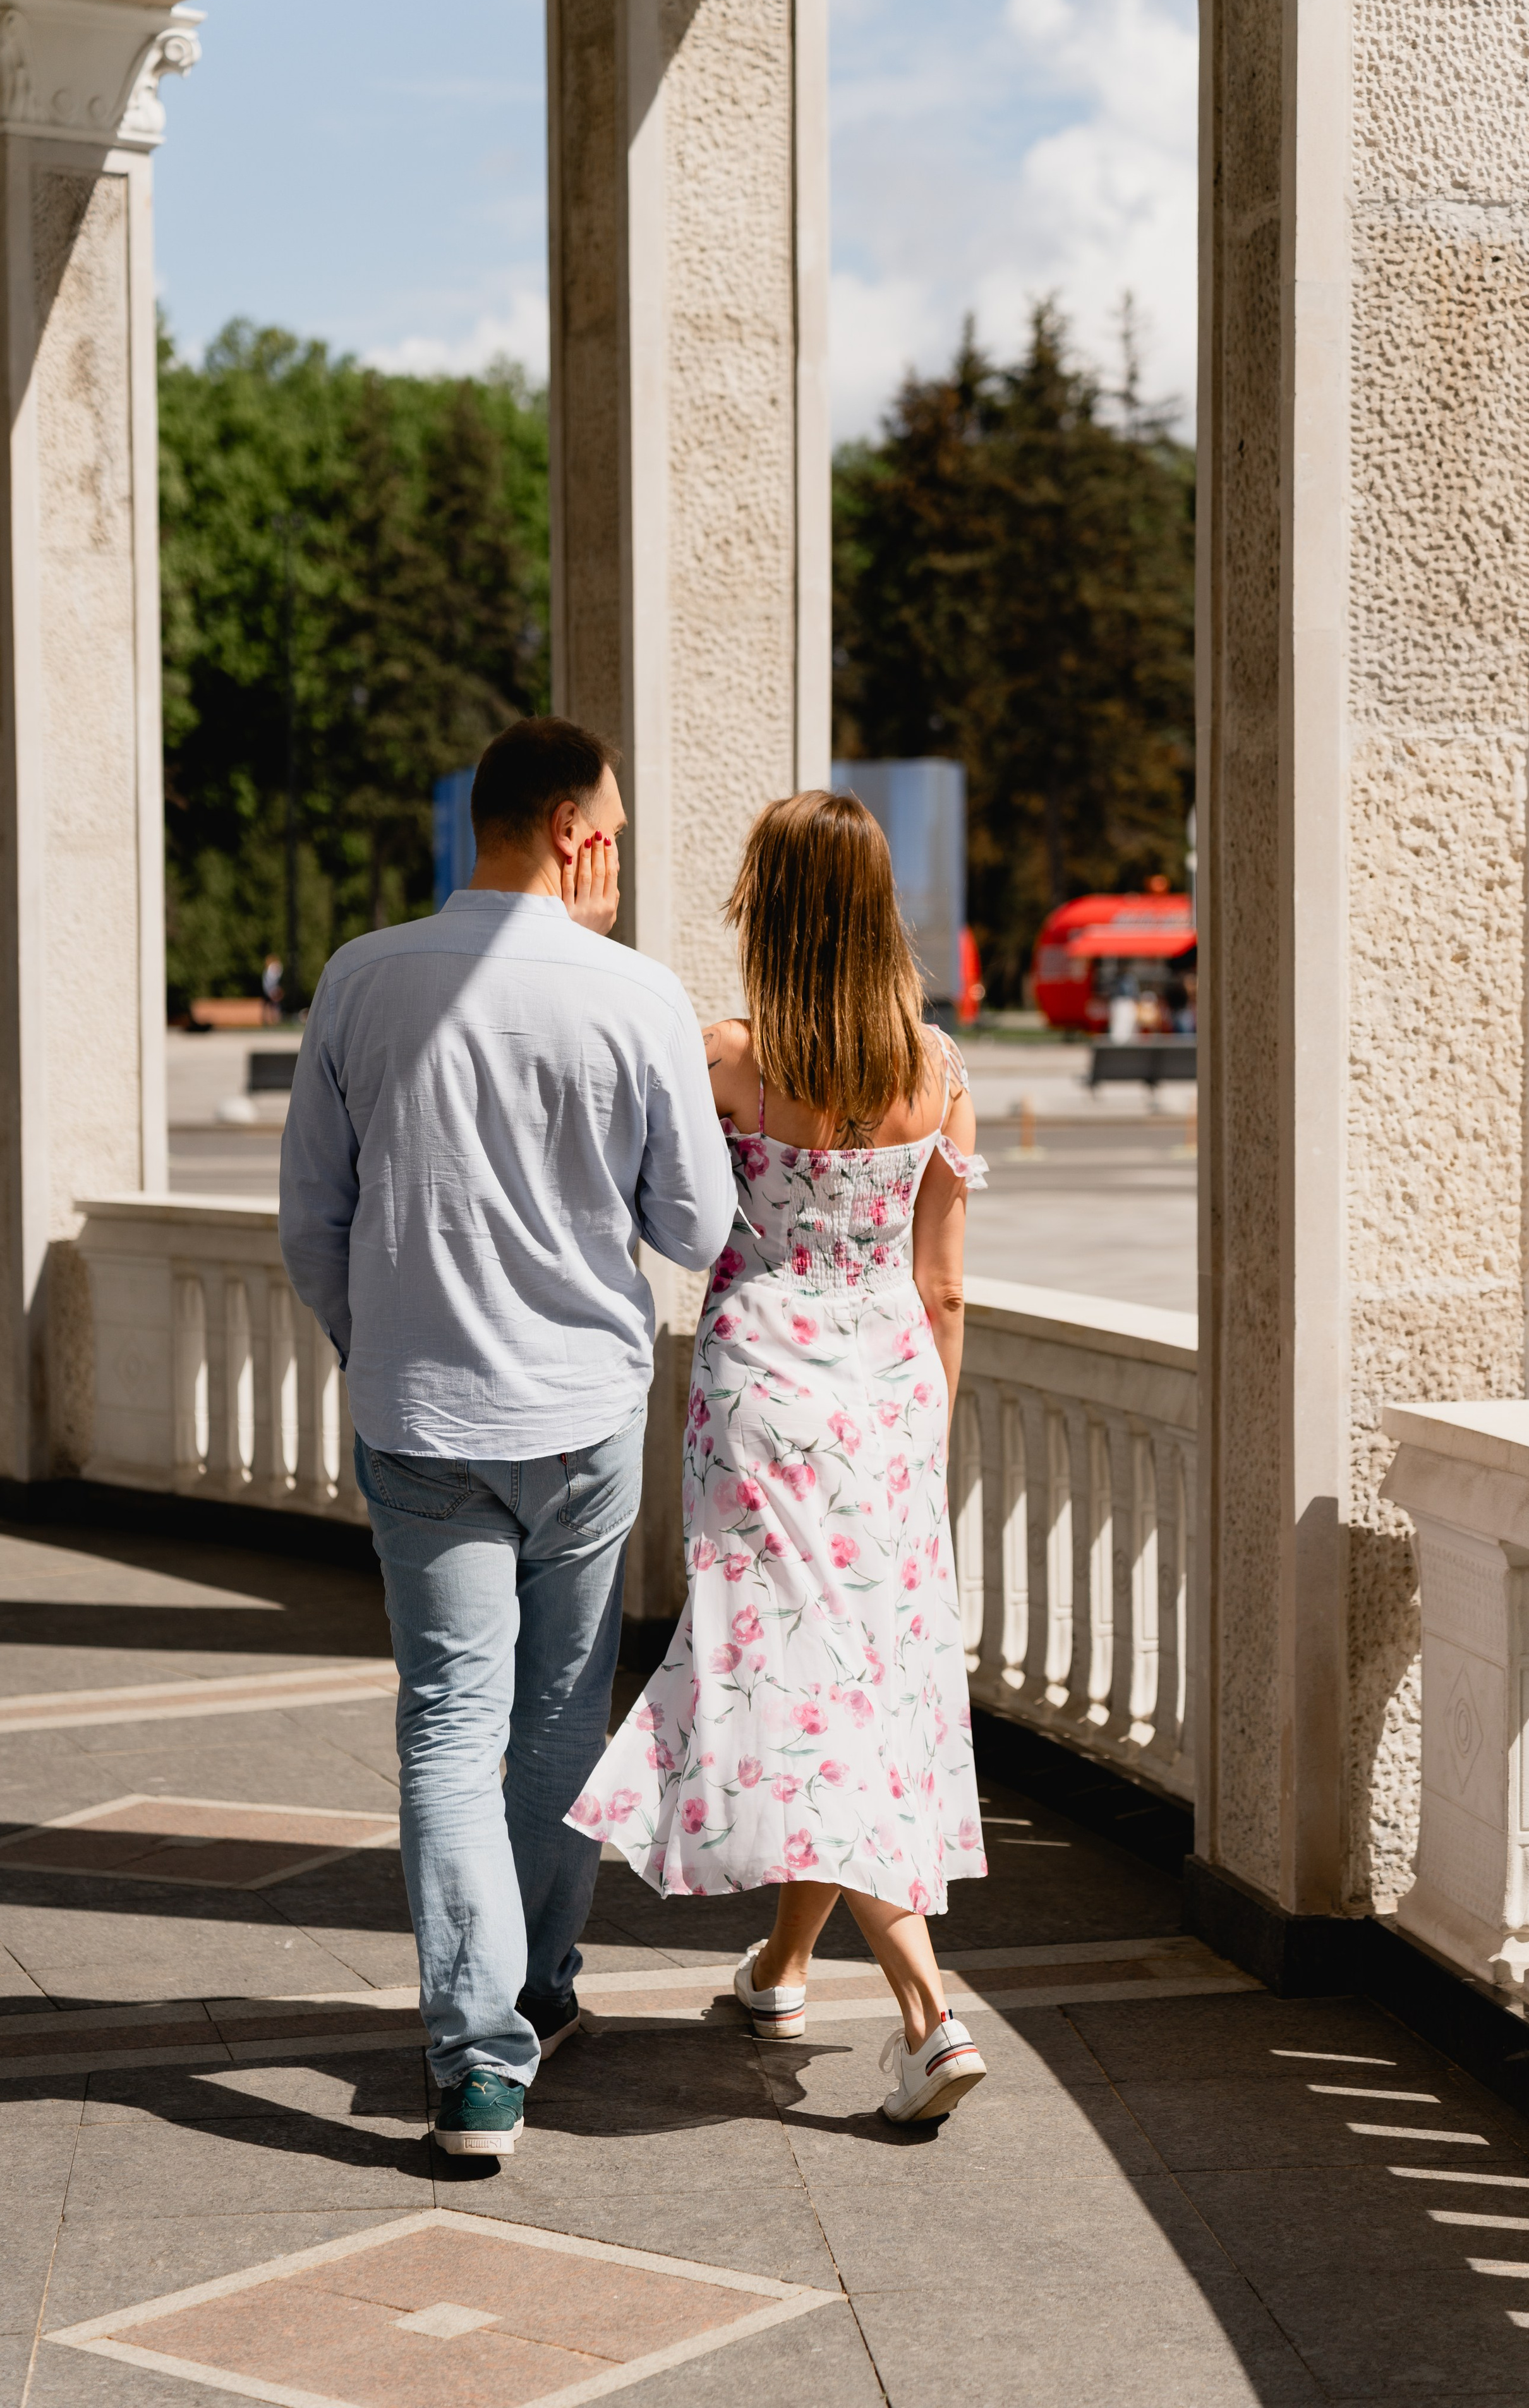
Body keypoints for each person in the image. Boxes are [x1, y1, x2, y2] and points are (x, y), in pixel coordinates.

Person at [279, 717, 735, 2159]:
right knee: (552, 1720)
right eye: (610, 826)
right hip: (584, 1413)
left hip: (420, 1418)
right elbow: (698, 1227)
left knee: (447, 1723)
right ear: (569, 830)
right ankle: (535, 1988)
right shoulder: (638, 995)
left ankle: (478, 2065)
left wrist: (382, 1346)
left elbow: (312, 1222)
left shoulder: (361, 977)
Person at [567, 789, 991, 2126]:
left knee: (804, 1680)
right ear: (878, 913)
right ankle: (782, 1967)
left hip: (757, 1393)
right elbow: (943, 1290)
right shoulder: (939, 1071)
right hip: (884, 1404)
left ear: (772, 910)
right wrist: (923, 1437)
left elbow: (682, 1228)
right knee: (843, 1678)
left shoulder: (728, 1063)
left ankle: (926, 2013)